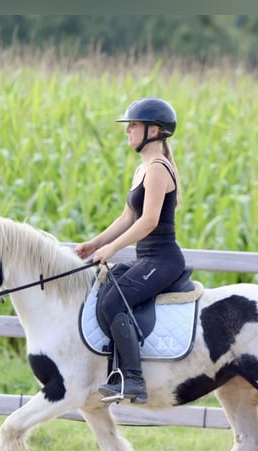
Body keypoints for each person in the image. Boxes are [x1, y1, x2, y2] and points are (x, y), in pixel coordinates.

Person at [74, 97, 186, 404]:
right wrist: (94, 244)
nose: (128, 131)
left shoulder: (158, 169)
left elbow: (148, 221)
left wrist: (111, 248)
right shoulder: (143, 169)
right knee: (106, 290)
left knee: (113, 302)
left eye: (133, 126)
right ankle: (115, 370)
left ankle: (134, 380)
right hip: (147, 258)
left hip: (163, 259)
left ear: (153, 130)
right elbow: (127, 217)